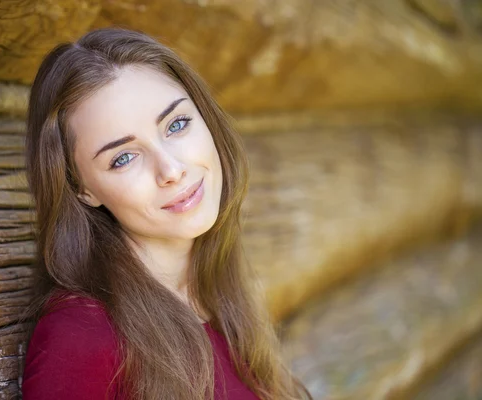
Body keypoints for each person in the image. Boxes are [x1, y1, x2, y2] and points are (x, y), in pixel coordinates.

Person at [20, 27, 311, 400]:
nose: (171, 170)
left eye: (176, 124)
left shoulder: (216, 292)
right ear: (82, 189)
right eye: (123, 158)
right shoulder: (82, 336)